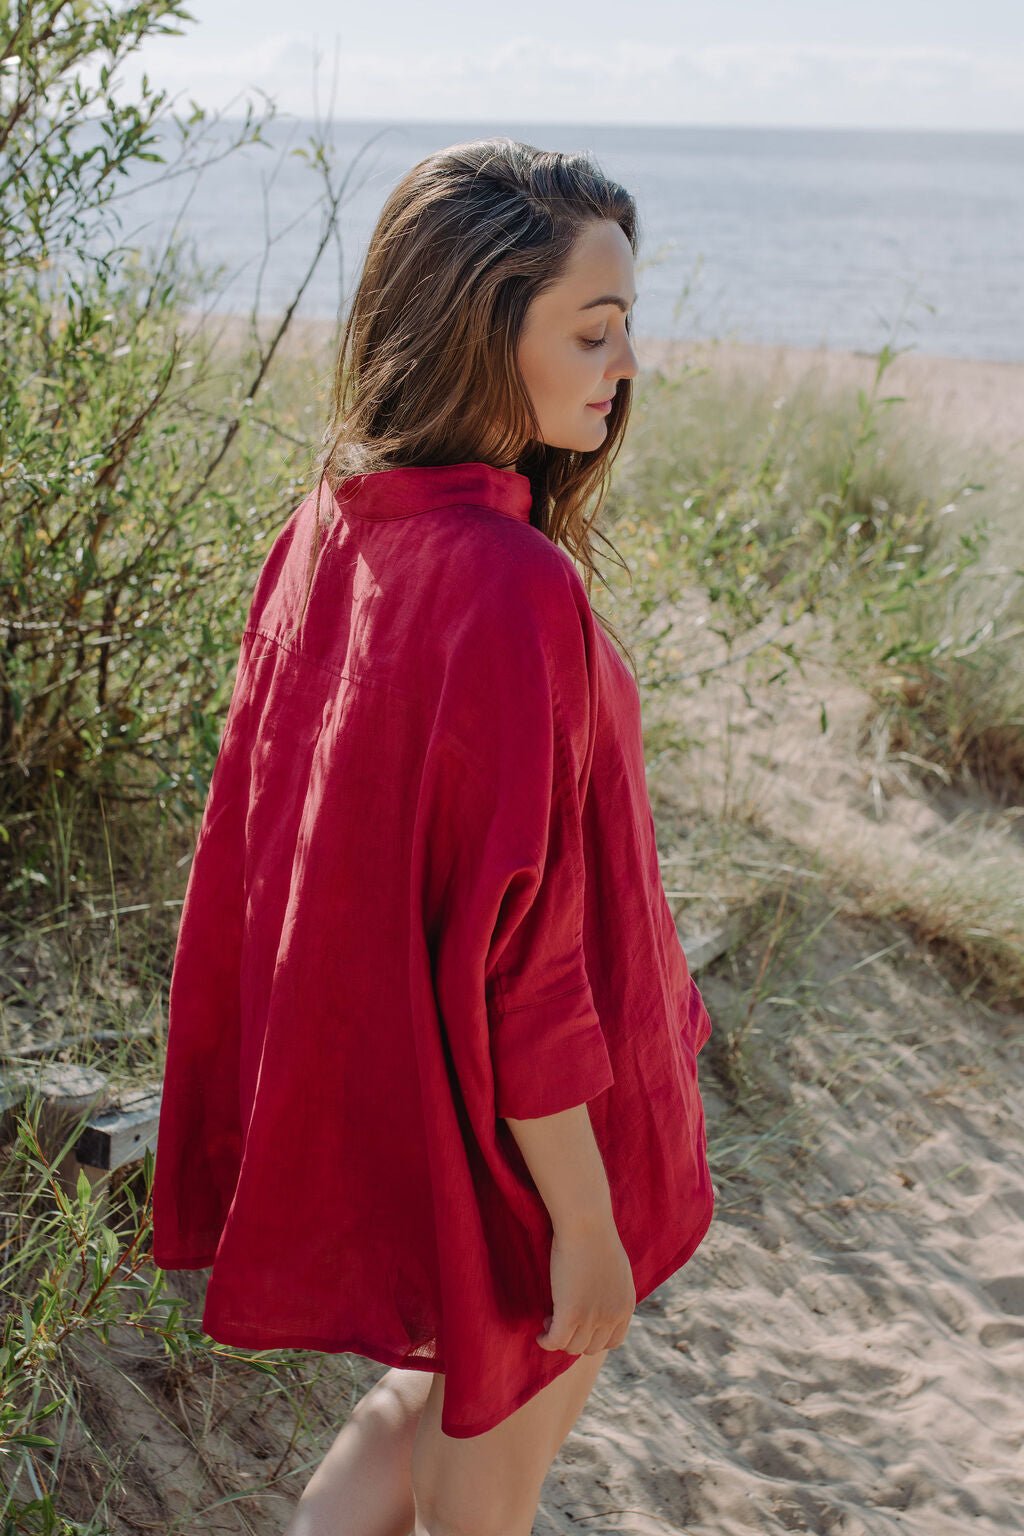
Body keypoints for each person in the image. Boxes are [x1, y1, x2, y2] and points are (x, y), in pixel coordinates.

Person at [150, 136, 714, 1536]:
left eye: (629, 326)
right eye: (595, 329)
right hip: (540, 1144)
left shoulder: (330, 528)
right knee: (486, 1479)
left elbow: (271, 853)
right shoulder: (510, 583)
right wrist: (584, 1223)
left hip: (432, 1108)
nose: (626, 362)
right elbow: (526, 954)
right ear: (480, 325)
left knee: (424, 1402)